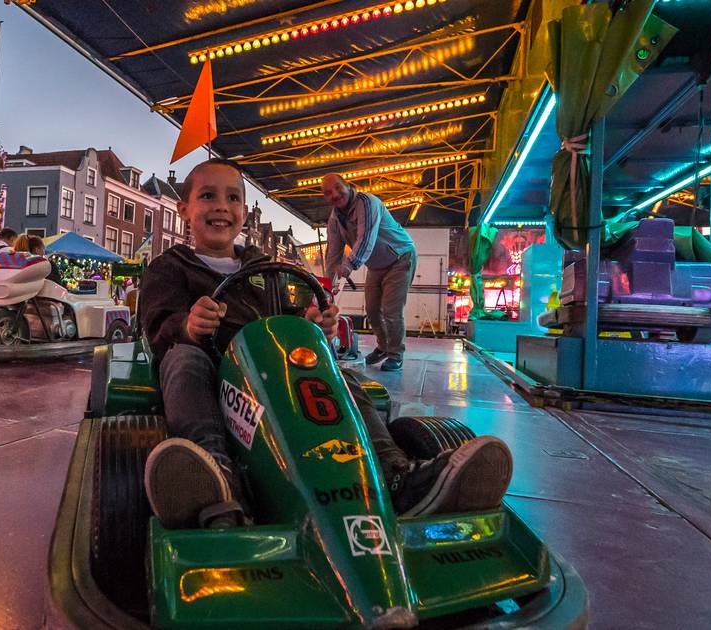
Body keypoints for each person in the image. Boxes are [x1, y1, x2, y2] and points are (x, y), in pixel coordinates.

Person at [140, 158, 512, 529]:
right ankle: (216, 471)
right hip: (214, 378)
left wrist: (312, 325)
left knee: (342, 378)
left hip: (270, 381)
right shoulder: (169, 267)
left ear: (243, 212)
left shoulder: (264, 267)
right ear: (183, 209)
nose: (223, 206)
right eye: (208, 196)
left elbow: (290, 318)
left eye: (233, 198)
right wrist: (188, 327)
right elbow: (156, 324)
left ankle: (395, 473)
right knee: (184, 359)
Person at [322, 173, 418, 372]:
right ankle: (383, 347)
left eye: (338, 187)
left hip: (400, 257)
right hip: (377, 265)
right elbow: (333, 253)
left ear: (348, 185)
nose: (335, 194)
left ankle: (396, 354)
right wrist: (326, 287)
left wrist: (349, 265)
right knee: (373, 311)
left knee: (391, 311)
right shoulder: (334, 219)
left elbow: (366, 239)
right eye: (328, 193)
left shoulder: (367, 202)